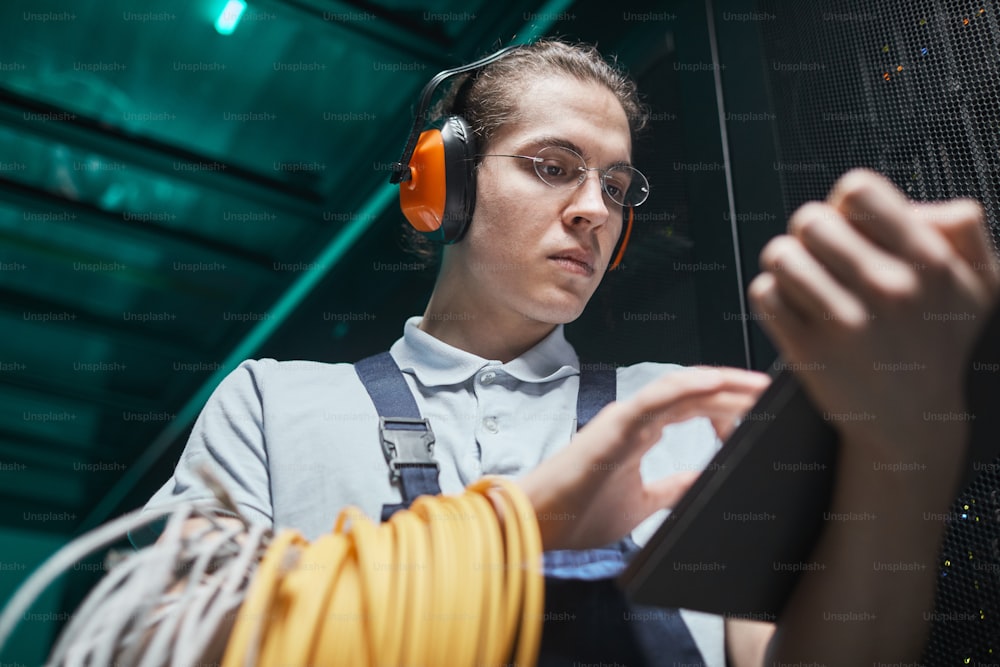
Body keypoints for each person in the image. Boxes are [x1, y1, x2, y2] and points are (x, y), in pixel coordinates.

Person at [140, 38, 1000, 666]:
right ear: (443, 181)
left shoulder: (681, 406)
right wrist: (523, 527)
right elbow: (157, 644)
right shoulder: (275, 403)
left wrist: (905, 464)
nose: (596, 207)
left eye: (616, 186)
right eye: (554, 166)